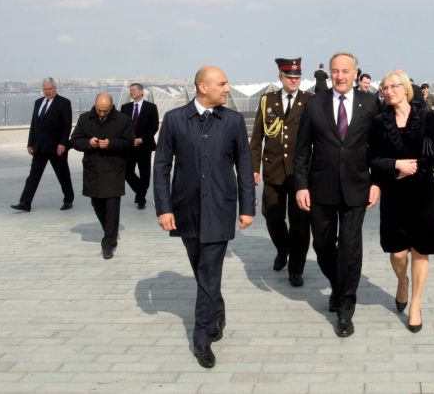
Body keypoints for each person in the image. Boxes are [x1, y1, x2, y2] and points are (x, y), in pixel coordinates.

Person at [153, 66, 256, 369]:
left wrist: (247, 208)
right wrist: (164, 208)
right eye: (222, 83)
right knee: (201, 269)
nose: (227, 88)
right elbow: (161, 166)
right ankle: (217, 310)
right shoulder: (175, 120)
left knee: (209, 270)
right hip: (185, 210)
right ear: (202, 87)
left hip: (220, 209)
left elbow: (244, 165)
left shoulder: (233, 121)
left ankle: (201, 337)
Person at [294, 51, 381, 338]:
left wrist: (377, 182)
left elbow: (378, 148)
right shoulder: (314, 103)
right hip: (321, 188)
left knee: (350, 248)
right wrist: (301, 186)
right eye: (335, 71)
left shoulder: (370, 103)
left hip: (357, 188)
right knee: (322, 245)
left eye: (345, 71)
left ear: (355, 73)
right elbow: (302, 149)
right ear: (329, 73)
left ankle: (345, 307)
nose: (340, 76)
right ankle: (338, 284)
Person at [369, 70, 434, 333]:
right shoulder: (379, 122)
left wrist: (415, 167)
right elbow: (372, 158)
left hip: (423, 191)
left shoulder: (425, 116)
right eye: (385, 87)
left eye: (394, 86)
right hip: (394, 192)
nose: (389, 91)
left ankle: (415, 305)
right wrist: (396, 165)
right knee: (397, 252)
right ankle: (402, 281)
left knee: (421, 250)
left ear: (405, 88)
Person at [249, 57, 311, 287]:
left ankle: (296, 268)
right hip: (273, 170)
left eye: (297, 77)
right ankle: (283, 249)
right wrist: (254, 168)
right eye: (289, 77)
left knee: (300, 223)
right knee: (272, 216)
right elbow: (257, 138)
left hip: (300, 173)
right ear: (280, 77)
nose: (294, 81)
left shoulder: (309, 101)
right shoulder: (268, 100)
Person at [70, 93, 134, 259]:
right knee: (97, 203)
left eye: (105, 110)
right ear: (95, 105)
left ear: (111, 106)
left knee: (112, 206)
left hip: (114, 170)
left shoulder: (123, 120)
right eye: (99, 110)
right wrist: (88, 143)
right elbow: (75, 140)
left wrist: (111, 144)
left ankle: (108, 244)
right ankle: (109, 230)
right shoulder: (85, 119)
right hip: (93, 169)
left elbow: (129, 142)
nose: (102, 113)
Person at [10, 77, 75, 212]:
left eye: (50, 89)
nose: (47, 91)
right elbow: (34, 124)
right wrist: (30, 143)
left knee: (63, 175)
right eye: (45, 89)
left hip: (57, 147)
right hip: (39, 147)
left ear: (55, 88)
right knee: (33, 176)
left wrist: (63, 143)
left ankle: (68, 199)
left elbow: (67, 125)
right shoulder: (38, 102)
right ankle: (25, 202)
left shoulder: (64, 102)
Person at [121, 83, 159, 209]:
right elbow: (122, 127)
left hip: (145, 146)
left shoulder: (151, 107)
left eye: (134, 90)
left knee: (145, 174)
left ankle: (141, 199)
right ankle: (140, 192)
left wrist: (142, 139)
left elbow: (154, 127)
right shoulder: (125, 107)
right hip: (129, 146)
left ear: (141, 92)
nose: (131, 92)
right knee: (127, 172)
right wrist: (129, 139)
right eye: (130, 90)